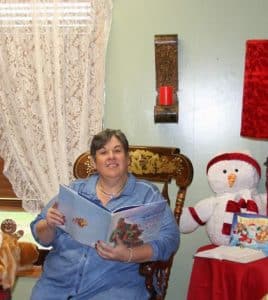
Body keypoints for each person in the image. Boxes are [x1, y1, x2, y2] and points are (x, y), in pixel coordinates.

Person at [30, 129, 180, 300]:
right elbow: (40, 234)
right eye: (103, 152)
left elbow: (170, 239)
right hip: (57, 284)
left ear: (127, 158)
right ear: (94, 162)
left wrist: (128, 255)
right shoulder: (75, 190)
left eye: (117, 150)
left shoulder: (147, 194)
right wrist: (48, 224)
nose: (111, 157)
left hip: (114, 286)